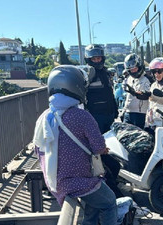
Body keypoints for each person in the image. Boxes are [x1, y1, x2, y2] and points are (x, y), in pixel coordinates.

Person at [32, 65, 117, 225]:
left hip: (56, 182)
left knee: (94, 204)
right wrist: (103, 149)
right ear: (77, 87)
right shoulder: (82, 116)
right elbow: (98, 147)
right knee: (109, 202)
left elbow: (38, 149)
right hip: (79, 182)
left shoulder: (45, 117)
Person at [84, 44, 123, 198]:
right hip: (96, 117)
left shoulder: (105, 73)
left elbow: (109, 93)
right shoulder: (88, 74)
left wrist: (115, 110)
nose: (97, 60)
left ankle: (111, 176)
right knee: (100, 151)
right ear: (89, 59)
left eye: (99, 57)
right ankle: (106, 180)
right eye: (94, 58)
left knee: (111, 148)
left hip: (108, 115)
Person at [145, 57, 163, 134]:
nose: (156, 74)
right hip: (152, 122)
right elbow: (150, 105)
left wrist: (151, 95)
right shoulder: (154, 85)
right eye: (154, 72)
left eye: (159, 71)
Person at [122, 53, 151, 129]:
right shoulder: (129, 78)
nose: (133, 71)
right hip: (128, 112)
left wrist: (135, 93)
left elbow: (148, 96)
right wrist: (124, 111)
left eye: (135, 69)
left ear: (140, 66)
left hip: (141, 114)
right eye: (131, 70)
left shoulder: (147, 79)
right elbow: (128, 97)